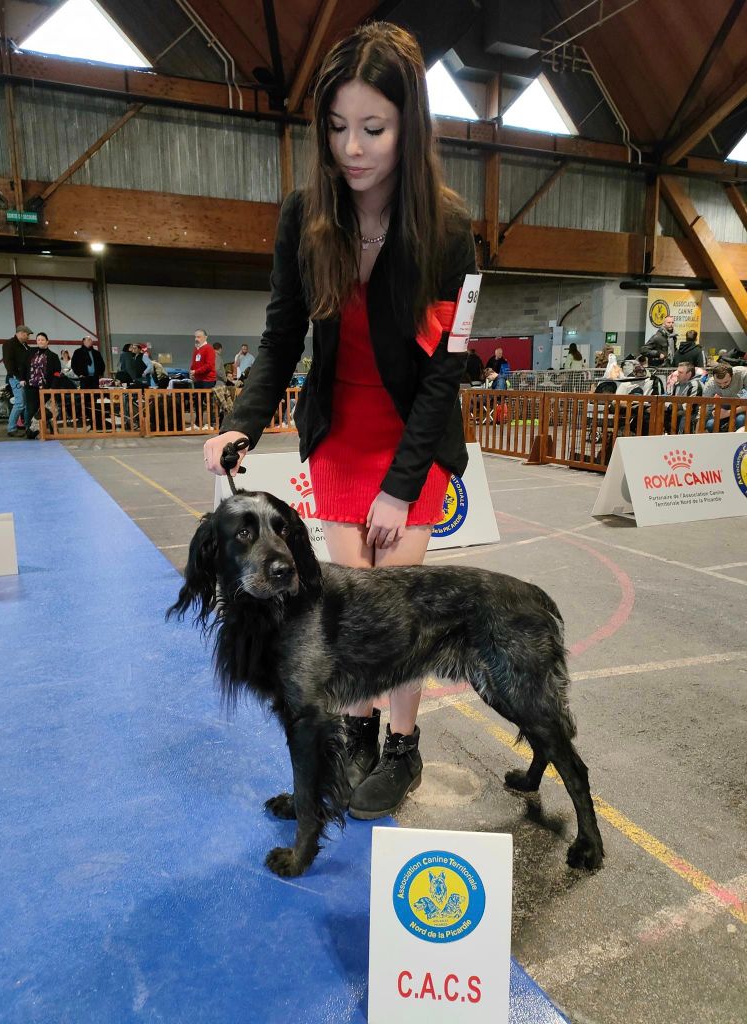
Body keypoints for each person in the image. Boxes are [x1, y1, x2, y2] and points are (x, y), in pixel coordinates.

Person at [202, 21, 476, 820]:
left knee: (402, 611)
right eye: (337, 126)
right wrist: (242, 422)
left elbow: (444, 373)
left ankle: (401, 746)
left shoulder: (449, 231)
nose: (352, 147)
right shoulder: (304, 215)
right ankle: (351, 741)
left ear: (409, 127)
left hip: (411, 443)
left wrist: (400, 488)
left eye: (374, 128)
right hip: (338, 440)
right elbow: (283, 332)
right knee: (345, 609)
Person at [23, 332, 61, 438]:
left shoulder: (53, 356)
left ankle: (53, 429)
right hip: (31, 387)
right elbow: (24, 366)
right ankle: (31, 431)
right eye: (38, 340)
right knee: (31, 409)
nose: (40, 341)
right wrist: (22, 379)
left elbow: (57, 373)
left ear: (47, 341)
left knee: (47, 409)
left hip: (46, 387)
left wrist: (53, 387)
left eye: (42, 340)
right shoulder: (30, 353)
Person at [1, 324, 32, 436]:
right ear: (21, 333)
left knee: (25, 403)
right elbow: (8, 362)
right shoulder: (9, 344)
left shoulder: (24, 345)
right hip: (16, 378)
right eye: (27, 334)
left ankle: (27, 426)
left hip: (24, 378)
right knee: (20, 403)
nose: (28, 337)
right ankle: (11, 428)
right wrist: (17, 376)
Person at [703, 361, 747, 432]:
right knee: (710, 424)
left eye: (726, 382)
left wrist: (727, 413)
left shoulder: (743, 374)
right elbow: (705, 410)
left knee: (740, 420)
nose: (722, 385)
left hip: (743, 404)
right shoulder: (710, 384)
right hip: (726, 404)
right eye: (718, 383)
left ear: (732, 375)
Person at [665, 360, 704, 434]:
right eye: (677, 372)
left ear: (689, 374)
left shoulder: (696, 385)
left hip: (693, 414)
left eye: (680, 372)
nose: (677, 374)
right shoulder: (676, 384)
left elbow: (691, 406)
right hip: (677, 411)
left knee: (682, 416)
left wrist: (670, 406)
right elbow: (672, 399)